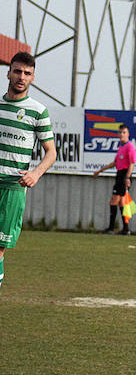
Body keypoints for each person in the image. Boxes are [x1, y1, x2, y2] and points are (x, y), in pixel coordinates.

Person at [0, 52, 57, 290]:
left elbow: (51, 153)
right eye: (17, 71)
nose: (21, 77)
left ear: (33, 78)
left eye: (27, 73)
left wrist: (35, 173)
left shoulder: (37, 111)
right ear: (8, 72)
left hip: (13, 187)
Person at [92, 124, 136, 234]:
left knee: (113, 201)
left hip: (124, 175)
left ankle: (111, 228)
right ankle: (126, 229)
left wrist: (127, 177)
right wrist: (100, 170)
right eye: (120, 132)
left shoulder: (130, 147)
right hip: (119, 174)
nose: (121, 134)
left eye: (124, 132)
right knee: (122, 203)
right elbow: (115, 163)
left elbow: (132, 163)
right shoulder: (121, 147)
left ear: (128, 134)